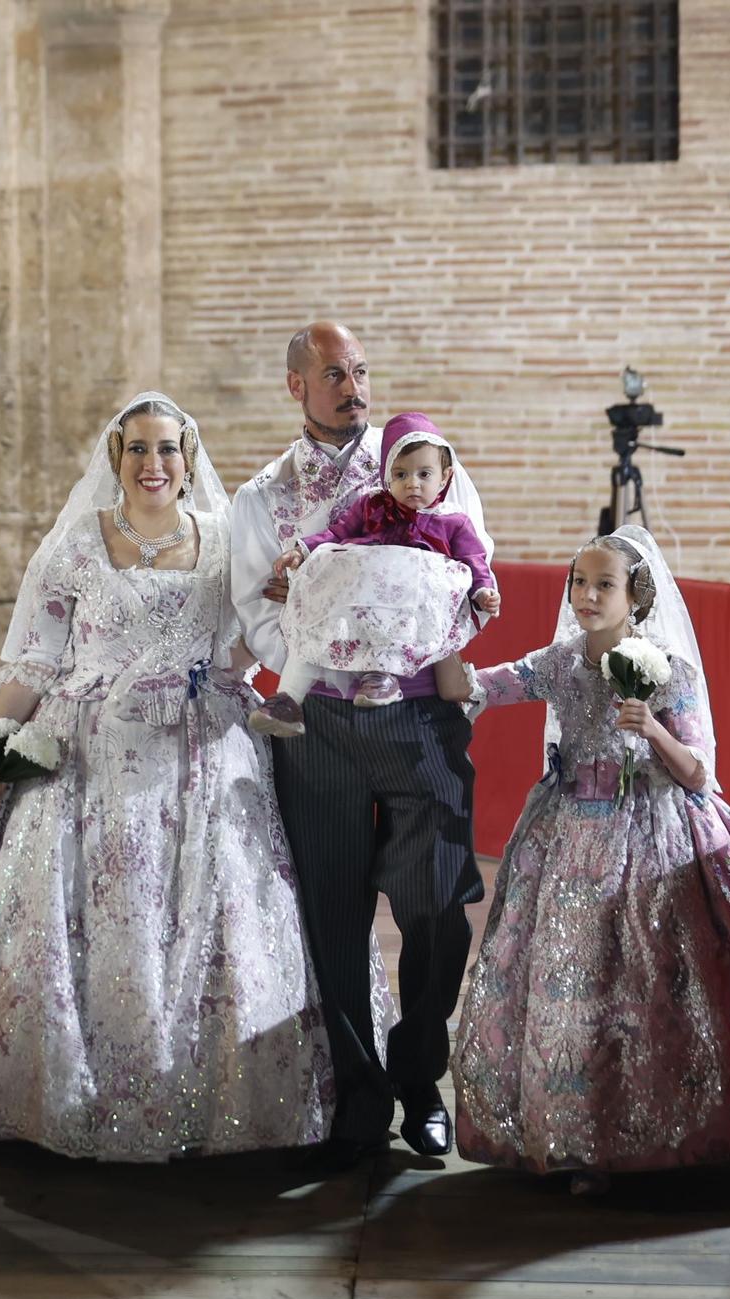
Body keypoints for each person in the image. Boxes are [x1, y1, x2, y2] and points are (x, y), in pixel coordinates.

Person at [0, 392, 338, 1159]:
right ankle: (64, 1091)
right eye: (137, 449)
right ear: (116, 459)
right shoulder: (78, 543)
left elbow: (252, 643)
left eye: (168, 449)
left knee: (211, 912)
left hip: (201, 753)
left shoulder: (222, 541)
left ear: (190, 458)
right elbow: (39, 658)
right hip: (88, 754)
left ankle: (212, 1099)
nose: (154, 464)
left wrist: (280, 605)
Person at [442, 528, 730, 1194]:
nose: (588, 596)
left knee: (647, 983)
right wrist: (439, 627)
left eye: (604, 584)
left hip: (653, 828)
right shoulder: (561, 661)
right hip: (568, 831)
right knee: (571, 981)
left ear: (636, 594)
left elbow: (696, 775)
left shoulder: (667, 669)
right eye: (580, 583)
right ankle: (575, 1138)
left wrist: (650, 724)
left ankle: (657, 1135)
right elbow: (476, 687)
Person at [230, 322, 490, 1167]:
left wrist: (409, 655)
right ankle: (359, 1087)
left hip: (419, 718)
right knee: (332, 910)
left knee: (436, 904)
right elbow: (257, 615)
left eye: (363, 371)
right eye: (335, 373)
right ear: (296, 385)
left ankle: (421, 1077)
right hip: (319, 723)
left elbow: (465, 584)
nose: (355, 386)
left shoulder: (428, 461)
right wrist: (324, 656)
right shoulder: (260, 501)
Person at [251, 413, 500, 733]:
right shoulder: (372, 505)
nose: (412, 483)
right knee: (317, 622)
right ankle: (288, 700)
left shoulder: (452, 521)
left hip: (406, 608)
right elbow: (336, 533)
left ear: (444, 476)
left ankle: (382, 677)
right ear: (386, 477)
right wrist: (302, 550)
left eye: (424, 473)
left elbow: (474, 559)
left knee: (398, 609)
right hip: (357, 598)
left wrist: (482, 590)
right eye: (400, 474)